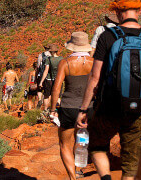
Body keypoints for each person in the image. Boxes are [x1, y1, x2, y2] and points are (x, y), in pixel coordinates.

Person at [76, 0, 141, 180]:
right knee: (131, 163)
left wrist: (83, 109)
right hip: (140, 109)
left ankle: (106, 177)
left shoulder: (107, 36)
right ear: (139, 12)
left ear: (117, 12)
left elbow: (94, 77)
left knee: (97, 145)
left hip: (109, 107)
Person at [50, 32, 94, 179]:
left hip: (68, 107)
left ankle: (71, 176)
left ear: (72, 46)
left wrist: (52, 110)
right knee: (81, 140)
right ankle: (77, 169)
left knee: (64, 144)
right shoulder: (94, 62)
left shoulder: (65, 62)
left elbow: (56, 88)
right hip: (88, 108)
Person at [39, 44, 63, 110]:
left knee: (46, 96)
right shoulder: (61, 59)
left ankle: (46, 110)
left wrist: (41, 81)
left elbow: (46, 71)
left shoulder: (48, 59)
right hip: (59, 80)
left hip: (49, 79)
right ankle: (58, 111)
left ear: (51, 51)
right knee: (58, 96)